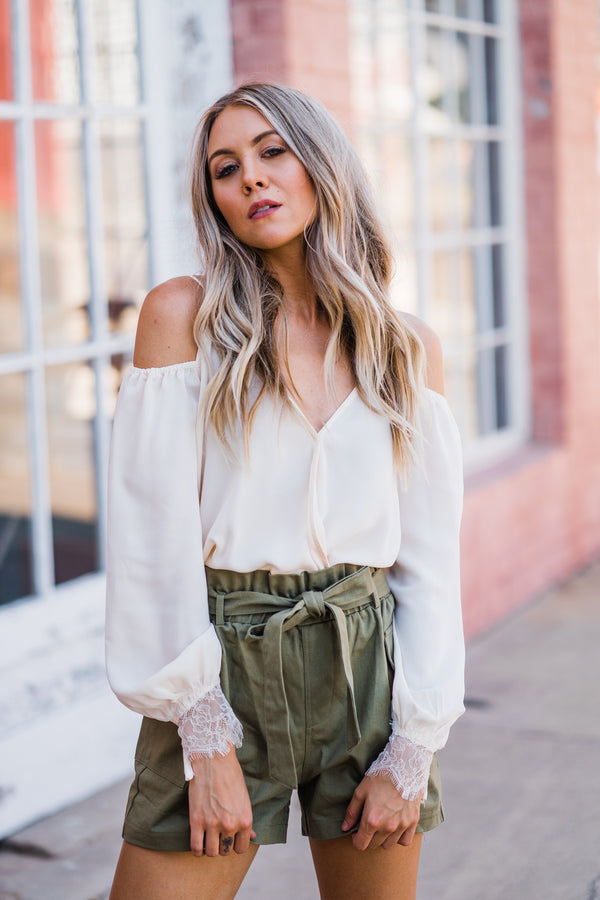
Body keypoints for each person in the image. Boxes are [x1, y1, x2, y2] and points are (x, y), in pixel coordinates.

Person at [106, 82, 465, 900]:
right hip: (223, 666)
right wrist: (204, 740)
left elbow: (432, 568)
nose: (252, 180)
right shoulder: (184, 317)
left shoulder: (405, 350)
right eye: (225, 169)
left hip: (366, 664)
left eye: (273, 152)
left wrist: (413, 747)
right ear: (216, 201)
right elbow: (149, 545)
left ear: (322, 164)